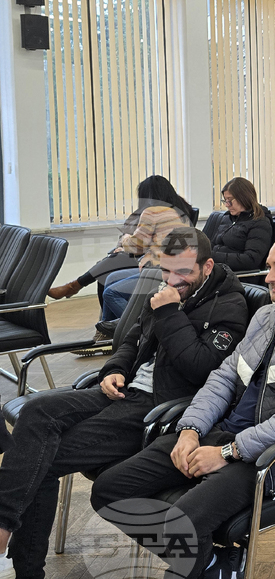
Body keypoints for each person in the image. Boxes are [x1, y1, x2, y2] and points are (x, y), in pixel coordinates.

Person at [90, 232, 275, 579]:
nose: (268, 276)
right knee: (108, 489)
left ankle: (200, 565)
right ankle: (215, 564)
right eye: (268, 266)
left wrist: (228, 453)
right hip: (225, 435)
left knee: (180, 523)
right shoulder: (267, 316)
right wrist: (190, 430)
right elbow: (223, 378)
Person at [0, 227, 249, 579]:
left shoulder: (230, 305)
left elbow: (200, 368)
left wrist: (169, 313)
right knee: (37, 412)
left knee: (41, 459)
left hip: (155, 407)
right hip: (123, 390)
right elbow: (133, 340)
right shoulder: (167, 292)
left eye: (183, 272)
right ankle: (4, 521)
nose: (172, 280)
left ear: (207, 267)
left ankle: (25, 567)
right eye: (166, 270)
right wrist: (114, 369)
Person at [48, 175, 196, 301]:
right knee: (110, 264)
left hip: (154, 261)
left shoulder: (152, 212)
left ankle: (75, 287)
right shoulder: (182, 209)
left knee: (109, 265)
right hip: (162, 258)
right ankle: (76, 288)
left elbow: (137, 245)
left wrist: (124, 241)